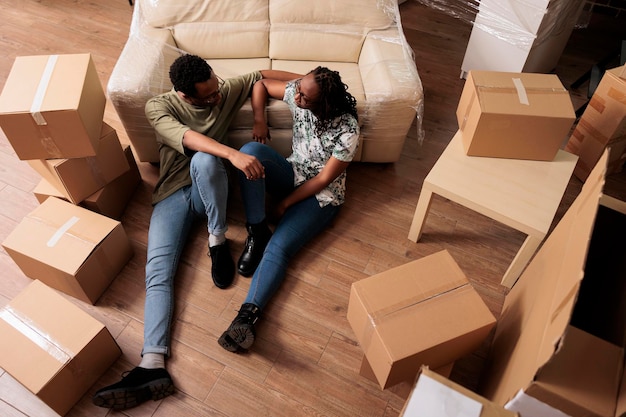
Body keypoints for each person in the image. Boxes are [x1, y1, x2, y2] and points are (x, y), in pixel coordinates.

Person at [92, 54, 301, 411]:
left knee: (206, 162)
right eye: (207, 97)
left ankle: (217, 241)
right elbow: (188, 137)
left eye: (216, 89)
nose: (216, 98)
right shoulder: (158, 106)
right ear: (185, 95)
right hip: (173, 194)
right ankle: (152, 365)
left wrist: (309, 82)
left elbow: (261, 75)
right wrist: (233, 156)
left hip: (210, 194)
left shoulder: (221, 88)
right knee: (157, 273)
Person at [218, 66, 360, 353]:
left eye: (305, 98)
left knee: (279, 249)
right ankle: (256, 230)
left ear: (324, 104)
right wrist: (260, 120)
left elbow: (322, 179)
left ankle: (247, 316)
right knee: (250, 152)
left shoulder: (348, 130)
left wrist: (283, 204)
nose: (297, 99)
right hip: (293, 172)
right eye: (299, 92)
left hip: (320, 196)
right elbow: (259, 84)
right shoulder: (299, 91)